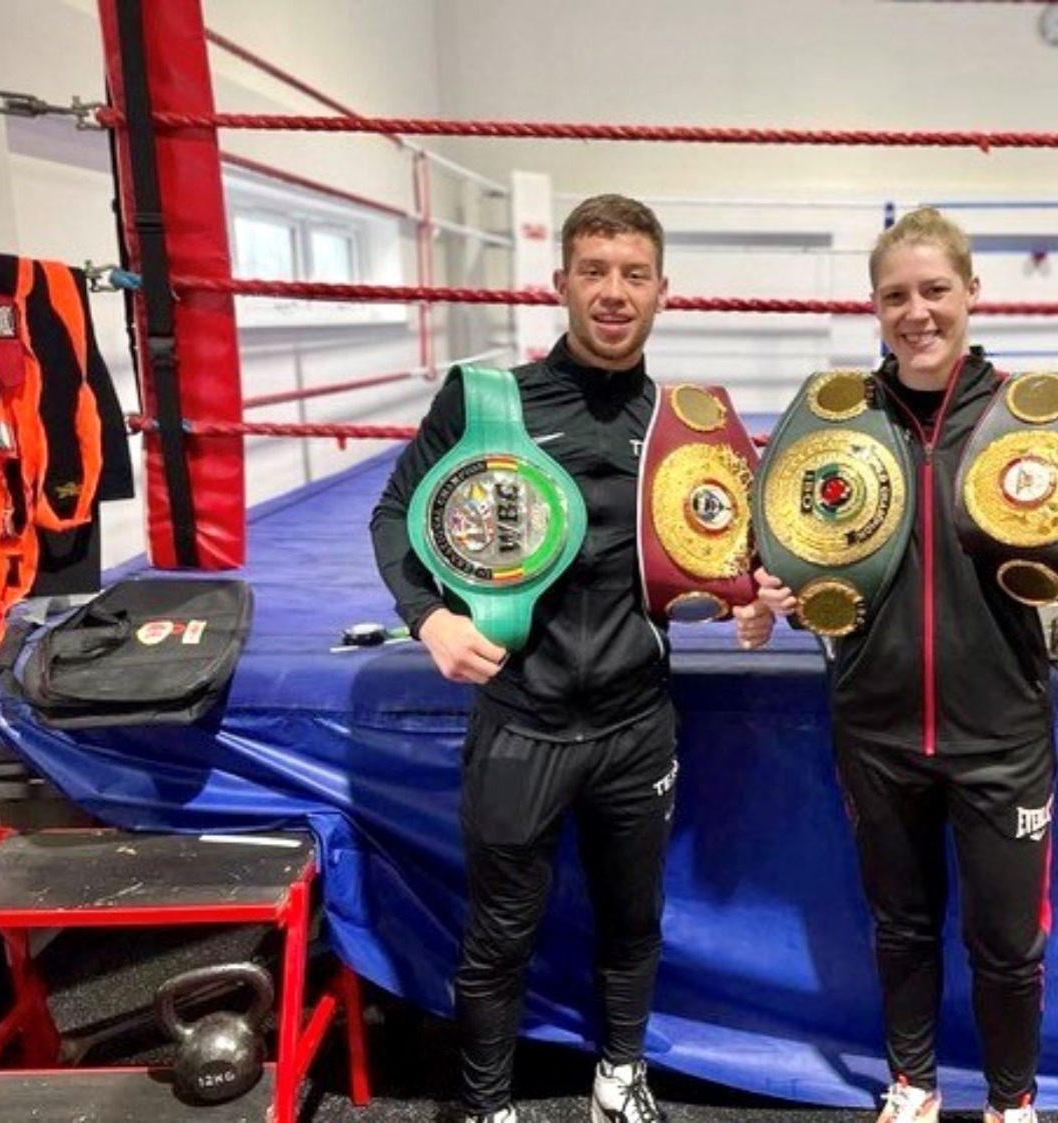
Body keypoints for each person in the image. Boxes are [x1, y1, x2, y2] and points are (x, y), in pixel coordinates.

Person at [733, 208, 1058, 1123]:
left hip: (1003, 730)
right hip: (876, 723)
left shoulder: (1032, 414)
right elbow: (760, 538)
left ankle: (1011, 1101)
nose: (917, 312)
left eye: (935, 290)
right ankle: (912, 1085)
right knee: (900, 928)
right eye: (896, 295)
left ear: (973, 293)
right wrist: (764, 588)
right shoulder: (836, 424)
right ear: (873, 308)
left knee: (1008, 942)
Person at [371, 194, 677, 1123]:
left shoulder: (678, 419)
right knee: (500, 930)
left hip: (636, 721)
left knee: (633, 921)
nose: (613, 293)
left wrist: (743, 596)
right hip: (523, 716)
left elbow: (708, 557)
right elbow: (395, 515)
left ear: (663, 291)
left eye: (633, 274)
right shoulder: (486, 399)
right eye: (595, 272)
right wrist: (427, 619)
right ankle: (487, 1104)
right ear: (562, 284)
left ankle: (620, 1080)